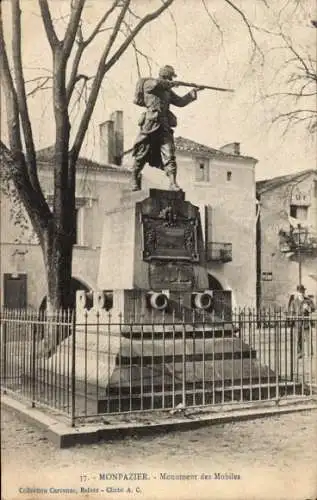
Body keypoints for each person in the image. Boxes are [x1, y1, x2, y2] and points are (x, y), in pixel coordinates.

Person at [131, 65, 201, 191]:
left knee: (169, 154)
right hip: (150, 124)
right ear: (165, 76)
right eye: (170, 77)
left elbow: (180, 102)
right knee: (141, 154)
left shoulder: (167, 91)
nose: (171, 79)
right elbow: (157, 84)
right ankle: (134, 180)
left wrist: (193, 92)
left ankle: (173, 183)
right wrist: (173, 84)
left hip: (164, 125)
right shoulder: (149, 83)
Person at [288, 285, 315, 358]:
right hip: (298, 322)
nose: (302, 293)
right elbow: (292, 312)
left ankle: (309, 353)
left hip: (306, 321)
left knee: (308, 337)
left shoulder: (308, 300)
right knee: (299, 338)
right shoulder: (294, 302)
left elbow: (313, 308)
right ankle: (299, 353)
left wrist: (308, 308)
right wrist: (292, 321)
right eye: (300, 292)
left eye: (303, 291)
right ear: (297, 292)